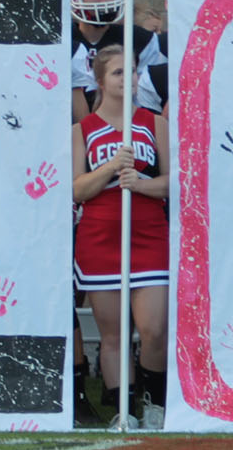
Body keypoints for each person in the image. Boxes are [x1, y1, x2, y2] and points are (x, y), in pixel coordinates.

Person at [70, 45, 171, 429]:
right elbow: (77, 189)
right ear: (99, 80)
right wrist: (112, 166)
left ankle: (154, 404)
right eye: (116, 73)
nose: (126, 79)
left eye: (131, 72)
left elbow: (175, 182)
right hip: (101, 237)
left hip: (148, 233)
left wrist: (141, 185)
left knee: (154, 329)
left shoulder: (152, 122)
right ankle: (123, 410)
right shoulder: (82, 131)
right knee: (113, 335)